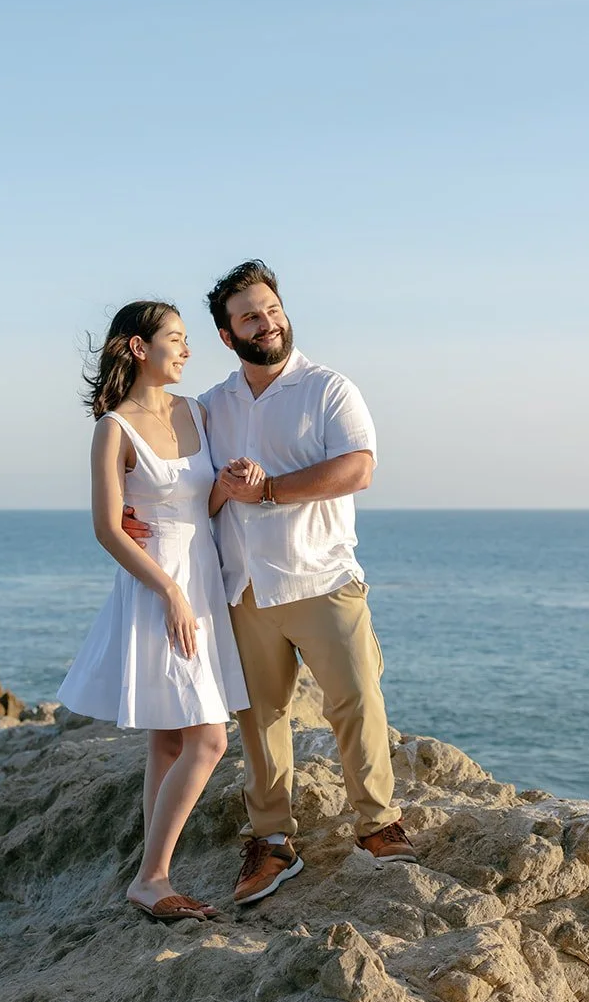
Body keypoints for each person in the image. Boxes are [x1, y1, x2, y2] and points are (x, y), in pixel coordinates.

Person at [124, 260, 416, 908]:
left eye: (272, 309)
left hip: (323, 577)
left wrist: (273, 489)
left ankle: (378, 823)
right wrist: (225, 493)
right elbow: (196, 497)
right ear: (228, 336)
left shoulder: (328, 388)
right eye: (250, 316)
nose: (267, 322)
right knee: (260, 720)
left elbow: (359, 468)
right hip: (244, 587)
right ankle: (273, 842)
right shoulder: (210, 408)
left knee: (357, 699)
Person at [57, 300, 250, 923]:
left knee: (171, 736)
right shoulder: (114, 427)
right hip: (159, 588)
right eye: (176, 338)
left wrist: (230, 485)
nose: (188, 350)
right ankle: (151, 878)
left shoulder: (195, 411)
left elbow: (202, 503)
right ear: (140, 348)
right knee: (209, 739)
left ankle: (154, 872)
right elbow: (108, 529)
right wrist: (168, 591)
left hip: (205, 582)